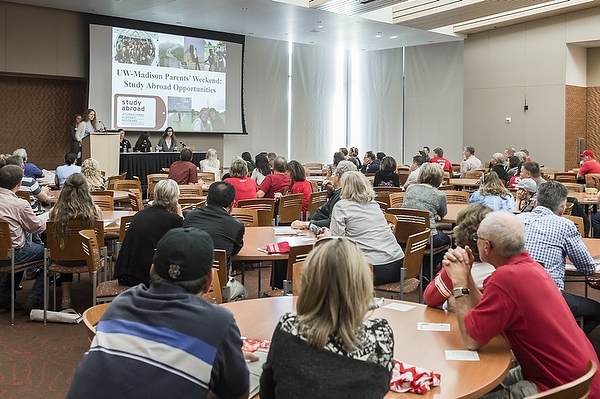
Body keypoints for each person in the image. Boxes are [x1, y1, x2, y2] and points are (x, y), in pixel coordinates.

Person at [66, 228, 250, 399]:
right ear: (210, 280)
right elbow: (237, 394)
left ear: (152, 270)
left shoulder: (119, 304)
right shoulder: (219, 323)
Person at [442, 211, 600, 398]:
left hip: (561, 389)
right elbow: (483, 313)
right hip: (578, 376)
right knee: (479, 383)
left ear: (486, 247)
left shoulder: (505, 279)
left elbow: (471, 340)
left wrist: (459, 284)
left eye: (478, 237)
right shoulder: (529, 267)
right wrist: (467, 275)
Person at [260, 237, 394, 399]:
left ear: (308, 283)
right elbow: (380, 388)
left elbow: (267, 392)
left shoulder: (288, 327)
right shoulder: (381, 335)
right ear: (363, 284)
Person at [517, 180, 600, 334]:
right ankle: (567, 341)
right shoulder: (565, 225)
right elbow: (587, 267)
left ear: (535, 203)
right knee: (597, 312)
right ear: (562, 209)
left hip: (514, 295)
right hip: (548, 298)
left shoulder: (516, 220)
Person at [324, 171, 404, 285]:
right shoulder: (374, 204)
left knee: (330, 266)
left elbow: (337, 242)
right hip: (397, 264)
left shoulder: (341, 206)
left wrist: (328, 234)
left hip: (371, 268)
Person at [424, 203, 494, 311]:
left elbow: (430, 298)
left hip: (454, 319)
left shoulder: (456, 265)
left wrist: (445, 269)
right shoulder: (501, 265)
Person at [48, 173, 103, 309]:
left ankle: (65, 298)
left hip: (62, 259)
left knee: (65, 248)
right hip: (89, 259)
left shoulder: (55, 212)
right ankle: (97, 293)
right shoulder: (94, 211)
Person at [114, 179, 183, 286]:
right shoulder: (174, 220)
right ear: (175, 199)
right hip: (146, 277)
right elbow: (185, 242)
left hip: (124, 272)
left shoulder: (140, 214)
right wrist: (180, 216)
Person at [0, 164, 46, 311]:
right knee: (51, 254)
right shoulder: (19, 204)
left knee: (20, 246)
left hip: (6, 250)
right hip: (13, 253)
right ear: (19, 184)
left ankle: (5, 295)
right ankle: (34, 297)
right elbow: (36, 227)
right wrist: (46, 219)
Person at [402, 163, 451, 280]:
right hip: (427, 237)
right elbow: (443, 213)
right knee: (448, 240)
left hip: (406, 235)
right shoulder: (439, 194)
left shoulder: (410, 188)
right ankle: (427, 272)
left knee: (434, 236)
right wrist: (435, 214)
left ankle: (420, 270)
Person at [183, 181, 245, 271]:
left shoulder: (190, 215)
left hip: (188, 275)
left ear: (207, 199)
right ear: (232, 204)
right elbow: (235, 251)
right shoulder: (237, 225)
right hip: (218, 280)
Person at [291, 160, 357, 230]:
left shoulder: (342, 196)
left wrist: (307, 224)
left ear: (337, 177)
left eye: (334, 174)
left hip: (321, 228)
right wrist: (331, 192)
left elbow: (332, 222)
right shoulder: (349, 193)